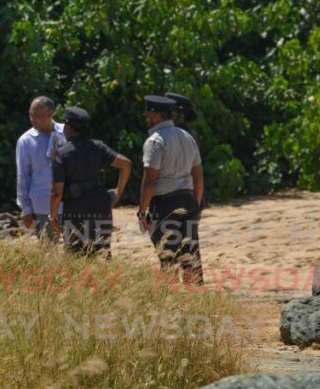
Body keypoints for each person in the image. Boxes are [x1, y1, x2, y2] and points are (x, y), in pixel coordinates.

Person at [137, 95, 204, 284]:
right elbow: (198, 175)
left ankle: (170, 299)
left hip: (165, 204)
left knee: (168, 257)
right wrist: (196, 204)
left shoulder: (154, 141)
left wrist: (142, 212)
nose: (147, 120)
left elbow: (149, 181)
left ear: (156, 116)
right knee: (191, 256)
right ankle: (195, 298)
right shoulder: (187, 137)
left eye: (148, 116)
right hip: (188, 200)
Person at [49, 107, 131, 256]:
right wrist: (118, 192)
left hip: (76, 211)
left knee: (76, 257)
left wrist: (53, 216)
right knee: (102, 254)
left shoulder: (61, 154)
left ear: (71, 128)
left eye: (65, 124)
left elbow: (56, 193)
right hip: (101, 208)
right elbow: (126, 164)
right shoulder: (98, 146)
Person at [16, 96, 66, 238]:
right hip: (42, 206)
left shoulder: (67, 132)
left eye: (39, 116)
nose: (34, 120)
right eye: (31, 115)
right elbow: (22, 177)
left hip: (69, 202)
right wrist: (26, 210)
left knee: (75, 251)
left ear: (51, 114)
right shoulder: (25, 141)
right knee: (48, 252)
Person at [165, 90, 207, 210]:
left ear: (177, 115)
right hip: (189, 195)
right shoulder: (189, 133)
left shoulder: (177, 136)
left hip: (180, 196)